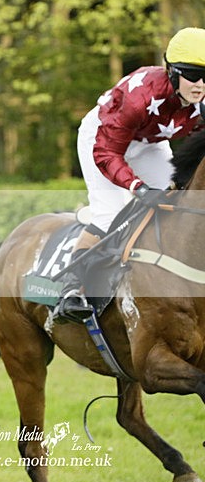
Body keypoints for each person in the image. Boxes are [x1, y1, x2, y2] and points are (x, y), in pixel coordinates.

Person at [53, 27, 205, 323]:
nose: (200, 85)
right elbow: (106, 153)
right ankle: (70, 288)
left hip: (150, 142)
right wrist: (137, 187)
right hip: (103, 139)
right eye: (192, 75)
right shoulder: (140, 98)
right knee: (110, 213)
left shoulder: (201, 100)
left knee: (172, 204)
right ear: (172, 72)